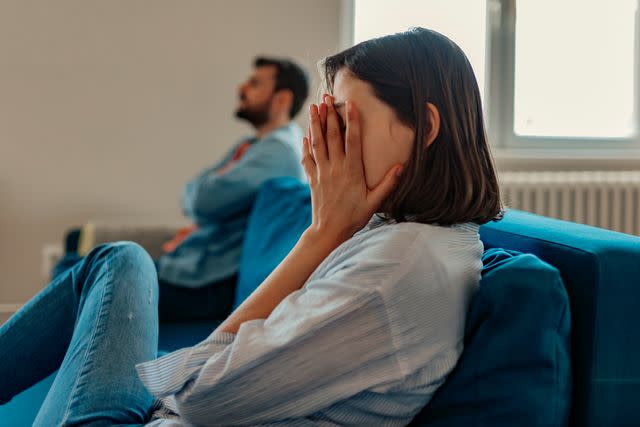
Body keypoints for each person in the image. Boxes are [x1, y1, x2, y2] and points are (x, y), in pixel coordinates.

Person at [0, 28, 502, 426]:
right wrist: (329, 232)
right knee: (118, 261)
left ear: (426, 128)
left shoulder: (398, 267)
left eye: (344, 121)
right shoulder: (408, 238)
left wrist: (319, 237)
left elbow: (195, 396)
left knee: (118, 262)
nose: (327, 142)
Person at [54, 56, 310, 321]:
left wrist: (204, 196)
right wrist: (203, 197)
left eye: (255, 83)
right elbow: (193, 194)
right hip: (194, 269)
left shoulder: (279, 152)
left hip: (207, 282)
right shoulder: (252, 146)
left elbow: (201, 200)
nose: (241, 88)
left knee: (75, 272)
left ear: (282, 100)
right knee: (74, 265)